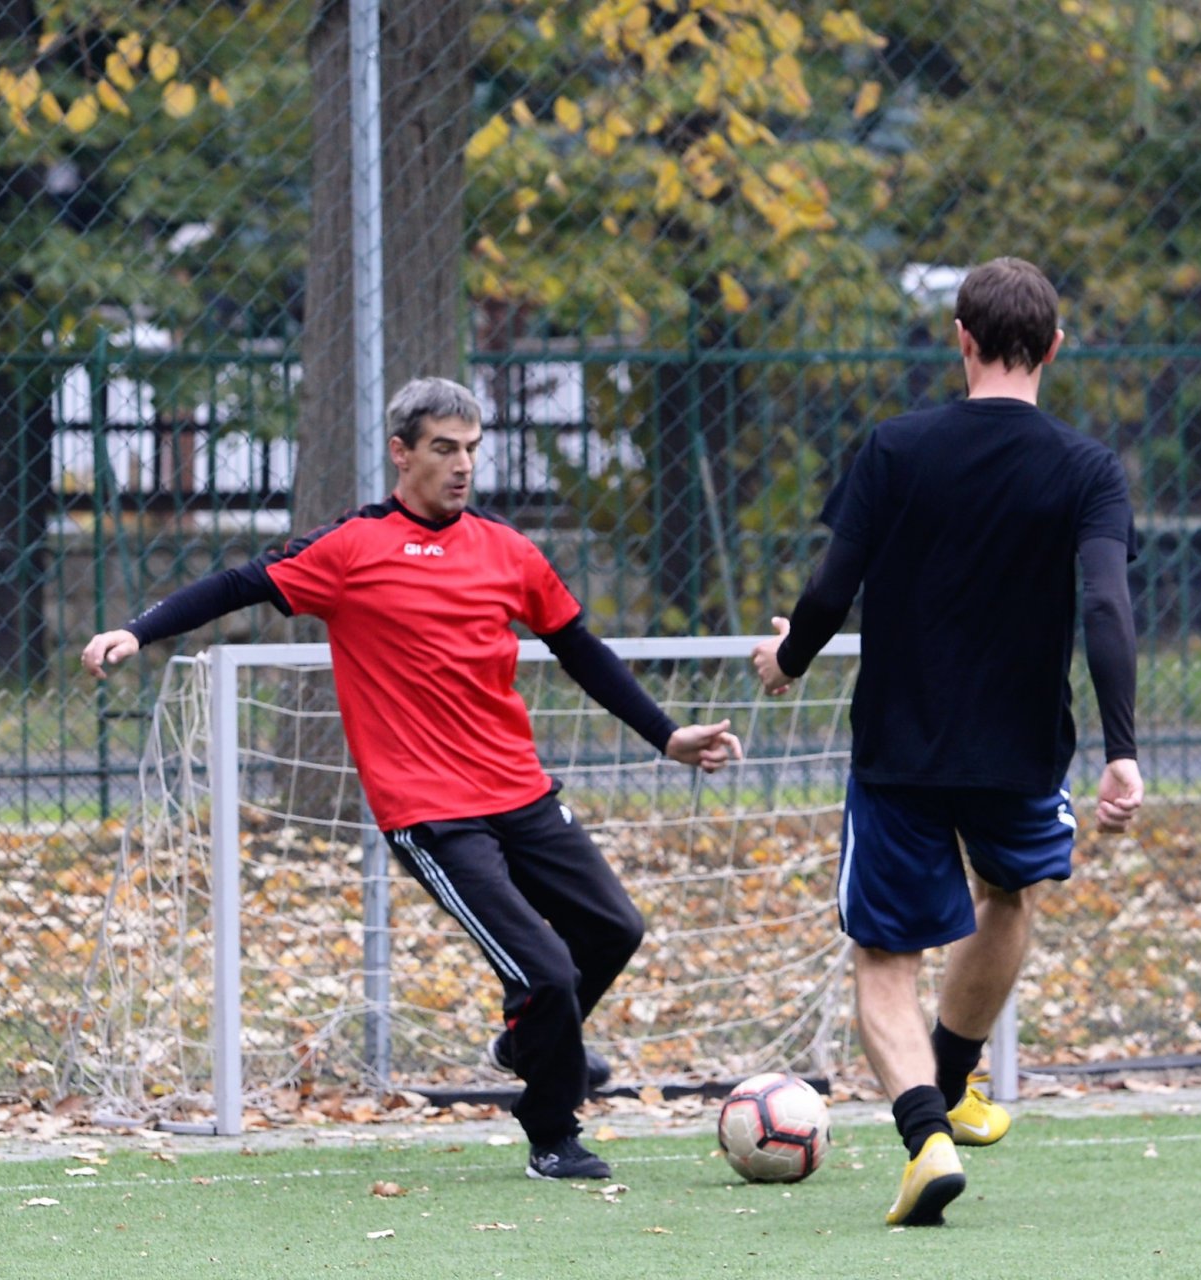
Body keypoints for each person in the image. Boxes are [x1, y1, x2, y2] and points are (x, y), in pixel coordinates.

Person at [83, 376, 741, 1182]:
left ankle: (524, 1039)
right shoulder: (351, 549)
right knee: (546, 969)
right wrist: (135, 631)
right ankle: (552, 1128)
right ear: (402, 452)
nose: (462, 466)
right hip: (430, 812)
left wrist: (667, 735)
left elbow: (581, 650)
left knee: (615, 931)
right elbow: (237, 585)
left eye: (471, 449)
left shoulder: (508, 551)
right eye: (443, 449)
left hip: (521, 791)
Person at [751, 257, 1143, 1226]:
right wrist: (1122, 748)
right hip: (1020, 748)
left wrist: (788, 658)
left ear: (959, 340)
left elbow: (830, 589)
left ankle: (926, 1128)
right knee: (1007, 891)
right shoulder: (1088, 467)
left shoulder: (895, 449)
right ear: (1054, 346)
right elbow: (1106, 604)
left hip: (901, 747)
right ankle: (957, 1077)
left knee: (885, 955)